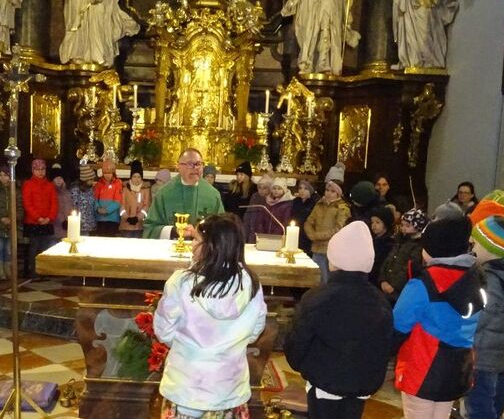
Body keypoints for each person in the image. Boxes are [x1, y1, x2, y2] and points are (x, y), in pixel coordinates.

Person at [154, 214, 267, 418]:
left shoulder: (181, 283)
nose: (191, 244)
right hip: (229, 386)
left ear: (211, 246)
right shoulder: (251, 283)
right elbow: (255, 330)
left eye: (196, 239)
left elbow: (164, 331)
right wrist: (229, 344)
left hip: (186, 385)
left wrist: (189, 347)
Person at [285, 221, 393, 418]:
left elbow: (298, 341)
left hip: (324, 381)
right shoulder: (380, 301)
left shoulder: (317, 298)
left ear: (333, 261)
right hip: (362, 382)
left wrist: (302, 366)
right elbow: (384, 345)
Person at [393, 216, 485, 418]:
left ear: (434, 248)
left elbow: (398, 324)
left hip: (422, 367)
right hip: (458, 366)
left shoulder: (424, 282)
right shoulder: (475, 277)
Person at [465, 216, 504, 417]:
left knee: (479, 406)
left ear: (491, 249)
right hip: (500, 352)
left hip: (481, 355)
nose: (471, 244)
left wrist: (461, 324)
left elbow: (480, 318)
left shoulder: (490, 280)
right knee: (496, 395)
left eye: (476, 242)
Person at [143, 149, 224, 239]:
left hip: (203, 247)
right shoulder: (164, 193)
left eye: (198, 164)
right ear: (179, 166)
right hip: (172, 246)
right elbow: (150, 229)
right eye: (190, 164)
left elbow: (222, 230)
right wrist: (174, 231)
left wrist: (201, 234)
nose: (195, 168)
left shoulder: (213, 195)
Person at [304, 178, 350, 283]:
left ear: (338, 193)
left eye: (333, 191)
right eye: (327, 190)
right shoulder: (319, 204)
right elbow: (309, 221)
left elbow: (338, 229)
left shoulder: (342, 208)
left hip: (331, 248)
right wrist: (311, 234)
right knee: (315, 278)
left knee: (327, 279)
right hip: (316, 247)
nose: (329, 193)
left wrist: (317, 236)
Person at [379, 208, 428, 304]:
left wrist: (395, 285)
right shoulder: (399, 241)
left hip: (400, 290)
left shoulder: (418, 246)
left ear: (417, 227)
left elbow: (408, 268)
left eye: (408, 225)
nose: (403, 228)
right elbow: (388, 260)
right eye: (402, 225)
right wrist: (382, 279)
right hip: (387, 285)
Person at [0, 165, 25, 280]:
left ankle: (8, 268)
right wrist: (0, 218)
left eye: (6, 175)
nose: (3, 178)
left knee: (9, 248)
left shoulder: (16, 191)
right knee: (0, 247)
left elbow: (20, 207)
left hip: (12, 224)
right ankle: (0, 269)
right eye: (1, 175)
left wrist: (14, 218)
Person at [22, 159, 58, 278]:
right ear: (33, 170)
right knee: (34, 247)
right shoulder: (28, 184)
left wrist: (49, 217)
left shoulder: (50, 185)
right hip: (33, 222)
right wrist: (38, 218)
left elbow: (54, 203)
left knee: (45, 248)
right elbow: (27, 204)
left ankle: (43, 271)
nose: (40, 172)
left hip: (47, 221)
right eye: (37, 169)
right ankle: (34, 272)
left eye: (43, 169)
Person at [119, 160, 151, 238]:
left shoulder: (145, 190)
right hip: (126, 224)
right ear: (131, 177)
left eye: (139, 177)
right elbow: (121, 205)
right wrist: (127, 218)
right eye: (134, 176)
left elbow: (146, 206)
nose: (137, 179)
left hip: (139, 225)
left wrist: (138, 218)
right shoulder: (125, 189)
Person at [93, 159, 123, 237]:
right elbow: (95, 199)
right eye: (105, 173)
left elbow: (117, 201)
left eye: (109, 173)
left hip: (112, 218)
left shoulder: (118, 184)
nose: (107, 175)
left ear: (113, 173)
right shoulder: (99, 184)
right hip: (100, 218)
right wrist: (98, 209)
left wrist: (107, 210)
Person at [368, 207, 395, 285]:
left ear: (386, 224)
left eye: (378, 222)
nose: (373, 225)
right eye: (372, 222)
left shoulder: (389, 244)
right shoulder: (371, 239)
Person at [70, 163, 98, 236]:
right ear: (85, 180)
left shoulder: (91, 189)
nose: (92, 181)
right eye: (90, 179)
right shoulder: (75, 190)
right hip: (79, 223)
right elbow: (73, 205)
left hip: (89, 223)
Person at [291, 180, 317, 256]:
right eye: (300, 188)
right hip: (295, 232)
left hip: (307, 235)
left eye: (306, 189)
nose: (302, 191)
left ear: (310, 190)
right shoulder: (295, 201)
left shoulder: (314, 203)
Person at [50, 164, 73, 240]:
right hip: (56, 225)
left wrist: (70, 220)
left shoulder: (67, 192)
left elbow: (70, 207)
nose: (59, 180)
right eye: (56, 178)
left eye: (60, 178)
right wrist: (62, 220)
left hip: (67, 225)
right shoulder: (51, 192)